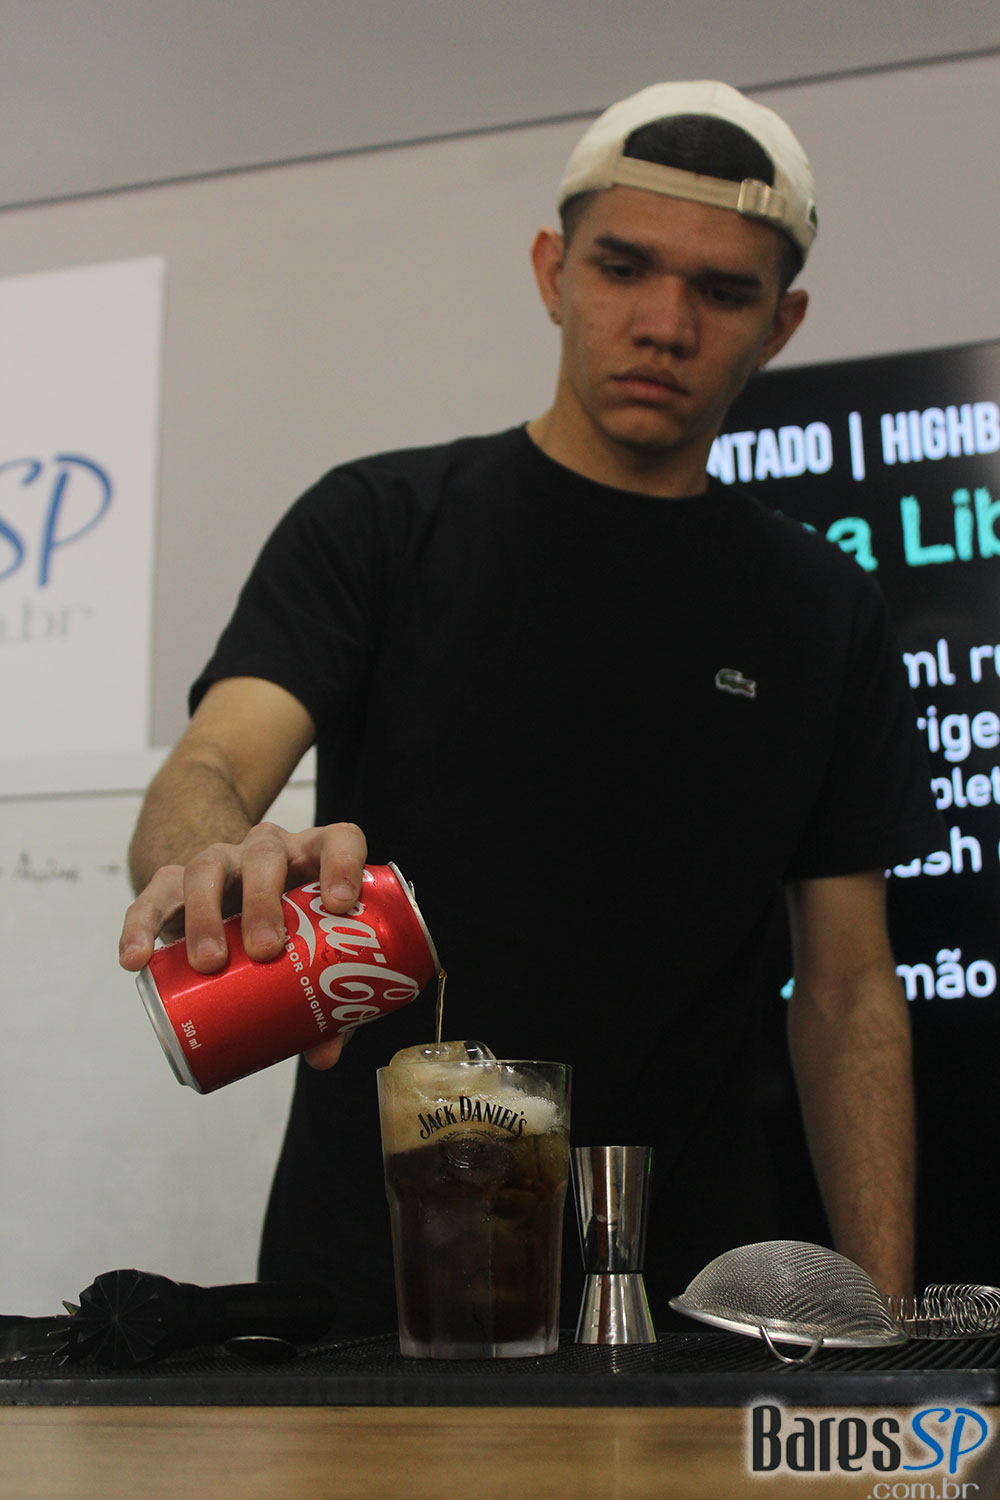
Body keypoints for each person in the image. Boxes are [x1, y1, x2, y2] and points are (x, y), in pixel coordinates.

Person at [119, 80, 942, 1332]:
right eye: (623, 267)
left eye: (723, 291)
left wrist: (883, 1326)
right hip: (372, 1290)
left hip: (701, 1299)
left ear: (781, 325)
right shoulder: (380, 525)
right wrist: (212, 861)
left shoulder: (822, 607)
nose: (664, 323)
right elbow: (213, 764)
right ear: (553, 272)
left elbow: (847, 989)